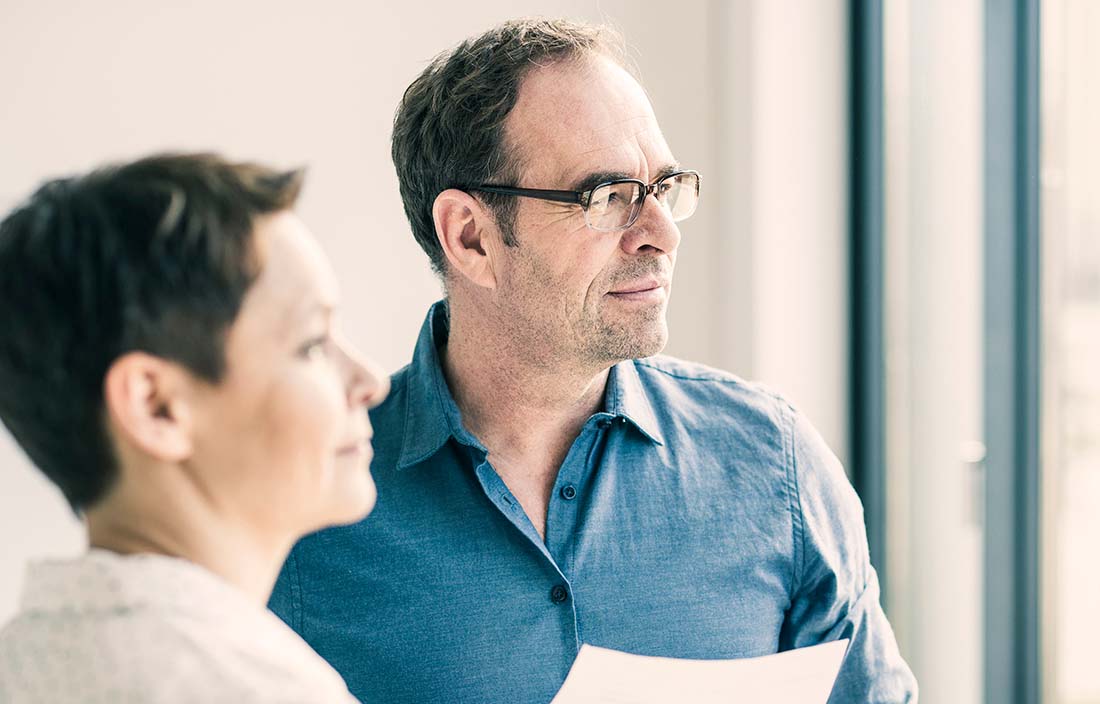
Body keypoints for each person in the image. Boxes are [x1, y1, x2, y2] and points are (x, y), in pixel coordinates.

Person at [269, 17, 918, 704]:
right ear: (472, 238)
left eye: (664, 188)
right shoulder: (302, 505)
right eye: (608, 198)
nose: (660, 232)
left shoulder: (772, 464)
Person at [0, 153, 388, 703]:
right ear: (156, 406)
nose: (372, 382)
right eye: (311, 345)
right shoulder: (252, 688)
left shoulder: (23, 661)